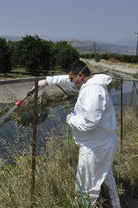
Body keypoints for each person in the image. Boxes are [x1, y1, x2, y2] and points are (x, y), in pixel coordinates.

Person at [38, 60, 120, 208]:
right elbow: (68, 79)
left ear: (80, 76)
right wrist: (47, 81)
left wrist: (71, 119)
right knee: (105, 175)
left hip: (95, 147)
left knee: (87, 184)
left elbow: (89, 124)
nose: (71, 82)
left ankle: (84, 205)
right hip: (101, 142)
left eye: (72, 79)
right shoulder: (89, 83)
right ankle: (115, 204)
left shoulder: (92, 91)